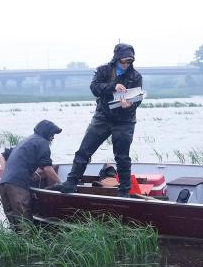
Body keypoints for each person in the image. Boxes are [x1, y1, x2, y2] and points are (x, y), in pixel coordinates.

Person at [55, 43, 143, 197]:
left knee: (122, 157)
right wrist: (113, 87)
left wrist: (129, 105)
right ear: (116, 58)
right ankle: (71, 182)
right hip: (102, 117)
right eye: (124, 61)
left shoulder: (136, 76)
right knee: (84, 151)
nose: (127, 64)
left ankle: (124, 191)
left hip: (125, 121)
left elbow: (137, 99)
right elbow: (94, 88)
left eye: (130, 61)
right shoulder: (103, 70)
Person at [0, 120, 63, 228]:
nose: (53, 137)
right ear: (45, 132)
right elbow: (47, 169)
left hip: (4, 184)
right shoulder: (42, 142)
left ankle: (16, 245)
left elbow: (2, 156)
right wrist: (61, 183)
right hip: (17, 186)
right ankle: (28, 244)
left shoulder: (27, 140)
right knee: (25, 224)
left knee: (15, 224)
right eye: (52, 134)